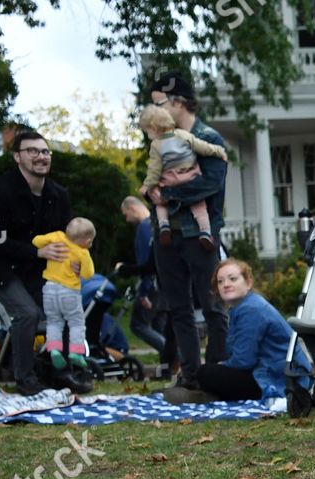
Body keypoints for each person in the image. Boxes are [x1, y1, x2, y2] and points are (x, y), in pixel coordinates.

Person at [0, 129, 89, 396]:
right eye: (32, 151)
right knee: (27, 313)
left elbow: (68, 240)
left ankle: (62, 372)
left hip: (34, 267)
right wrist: (38, 253)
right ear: (17, 157)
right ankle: (24, 378)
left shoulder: (58, 195)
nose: (40, 156)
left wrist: (75, 262)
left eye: (45, 151)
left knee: (64, 304)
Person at [147, 72, 228, 394]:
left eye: (160, 103)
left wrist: (167, 195)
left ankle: (216, 372)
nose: (154, 110)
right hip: (167, 236)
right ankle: (191, 374)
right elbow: (154, 179)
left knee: (212, 306)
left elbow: (210, 183)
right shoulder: (161, 139)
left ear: (178, 102)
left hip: (201, 234)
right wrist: (152, 193)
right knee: (177, 308)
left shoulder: (209, 137)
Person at [165, 257, 310, 404]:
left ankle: (209, 395)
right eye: (220, 281)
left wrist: (223, 366)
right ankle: (210, 394)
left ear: (248, 283)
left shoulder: (251, 309)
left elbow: (244, 361)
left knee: (206, 373)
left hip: (280, 377)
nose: (226, 284)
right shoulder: (242, 307)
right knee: (213, 369)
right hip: (274, 371)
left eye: (232, 279)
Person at [137, 104, 228, 250]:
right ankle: (205, 231)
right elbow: (203, 147)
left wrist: (147, 186)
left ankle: (164, 225)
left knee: (161, 202)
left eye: (147, 131)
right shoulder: (183, 135)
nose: (147, 135)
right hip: (190, 176)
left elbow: (154, 169)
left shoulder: (156, 145)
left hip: (170, 180)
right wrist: (219, 151)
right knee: (199, 205)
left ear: (154, 128)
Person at [32, 216, 96, 371]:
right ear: (87, 241)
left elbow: (36, 241)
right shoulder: (82, 252)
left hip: (49, 289)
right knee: (76, 322)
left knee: (54, 322)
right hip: (69, 292)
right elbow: (88, 274)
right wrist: (83, 263)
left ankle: (54, 349)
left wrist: (48, 245)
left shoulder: (57, 236)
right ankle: (76, 352)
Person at [114, 196, 171, 366]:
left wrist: (144, 292)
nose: (126, 219)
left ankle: (174, 353)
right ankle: (167, 367)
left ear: (132, 208)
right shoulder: (157, 224)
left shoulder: (144, 228)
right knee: (159, 325)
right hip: (165, 284)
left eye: (126, 214)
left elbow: (147, 263)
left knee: (138, 325)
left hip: (151, 285)